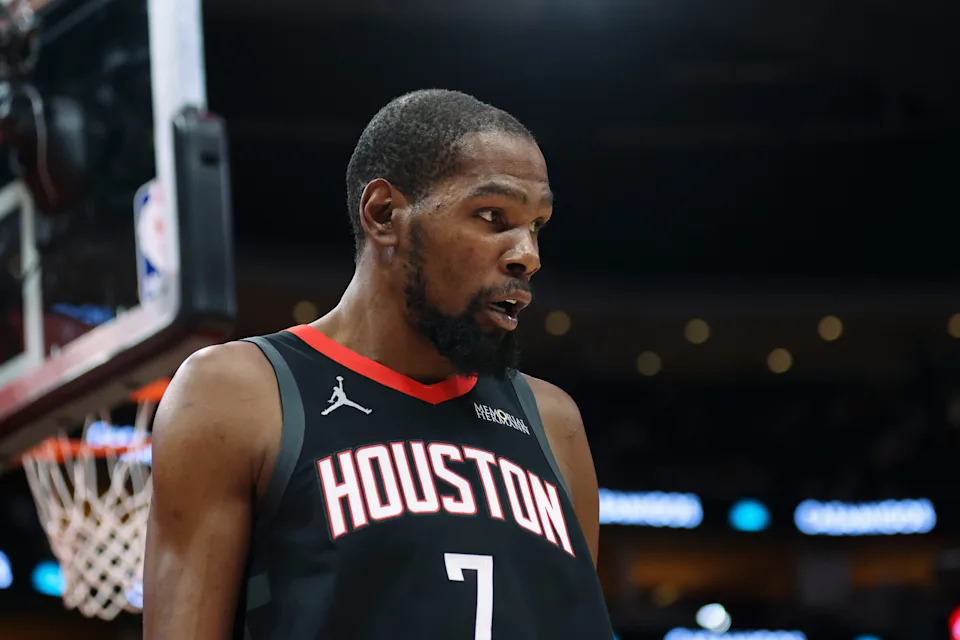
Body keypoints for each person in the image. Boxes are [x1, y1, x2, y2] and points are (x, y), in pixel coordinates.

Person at [143, 89, 615, 639]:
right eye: (494, 216)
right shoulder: (239, 394)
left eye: (536, 225)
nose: (527, 254)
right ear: (383, 214)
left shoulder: (553, 423)